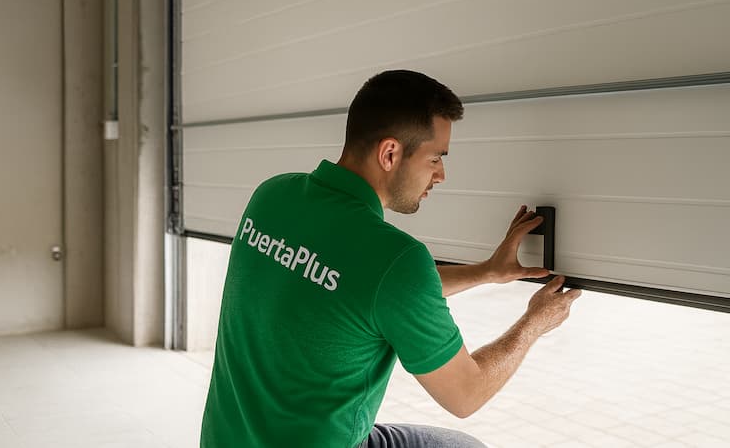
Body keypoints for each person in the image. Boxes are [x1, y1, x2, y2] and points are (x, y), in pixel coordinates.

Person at [200, 70, 581, 447]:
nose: (442, 175)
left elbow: (361, 291)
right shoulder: (396, 260)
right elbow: (467, 393)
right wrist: (535, 322)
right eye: (435, 158)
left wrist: (486, 272)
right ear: (390, 153)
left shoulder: (272, 196)